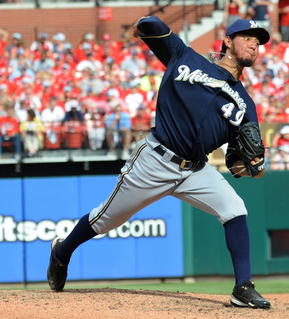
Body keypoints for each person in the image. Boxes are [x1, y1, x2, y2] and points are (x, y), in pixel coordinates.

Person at [47, 17, 271, 309]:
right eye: (247, 37)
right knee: (105, 219)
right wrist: (143, 25)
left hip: (195, 170)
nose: (254, 44)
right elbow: (151, 25)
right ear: (227, 41)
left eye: (258, 41)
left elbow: (250, 161)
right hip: (154, 160)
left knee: (235, 209)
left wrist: (254, 166)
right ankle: (61, 253)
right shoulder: (186, 58)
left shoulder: (246, 103)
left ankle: (243, 287)